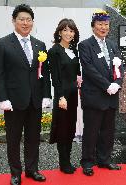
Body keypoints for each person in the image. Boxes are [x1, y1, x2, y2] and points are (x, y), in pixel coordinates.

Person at [0, 4, 51, 185]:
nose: (25, 23)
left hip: (35, 101)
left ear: (32, 22)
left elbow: (44, 73)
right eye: (21, 19)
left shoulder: (39, 45)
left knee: (33, 137)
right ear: (14, 21)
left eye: (29, 20)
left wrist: (46, 95)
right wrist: (2, 98)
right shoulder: (2, 44)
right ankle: (15, 173)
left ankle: (32, 170)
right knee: (13, 139)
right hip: (14, 101)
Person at [78, 10, 124, 176]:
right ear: (93, 27)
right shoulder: (84, 45)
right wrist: (107, 85)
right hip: (94, 96)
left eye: (106, 24)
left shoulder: (112, 45)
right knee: (91, 131)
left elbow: (119, 68)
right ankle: (88, 162)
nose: (103, 27)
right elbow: (89, 69)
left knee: (108, 131)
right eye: (100, 24)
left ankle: (105, 160)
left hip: (111, 96)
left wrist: (117, 84)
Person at [48, 18, 81, 174]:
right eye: (65, 30)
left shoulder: (74, 50)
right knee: (62, 129)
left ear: (74, 33)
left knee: (70, 128)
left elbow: (76, 73)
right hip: (63, 96)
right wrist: (60, 96)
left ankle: (67, 160)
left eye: (71, 30)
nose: (68, 33)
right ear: (60, 32)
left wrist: (79, 79)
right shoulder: (54, 51)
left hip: (74, 95)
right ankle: (63, 163)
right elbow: (55, 78)